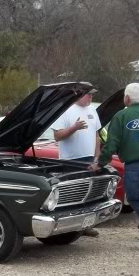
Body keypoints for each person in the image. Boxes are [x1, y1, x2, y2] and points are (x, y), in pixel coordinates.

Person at [93, 83, 139, 252]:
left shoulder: (121, 116)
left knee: (135, 199)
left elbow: (112, 144)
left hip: (135, 166)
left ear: (127, 98)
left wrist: (100, 162)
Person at [52, 87, 102, 236]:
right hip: (70, 160)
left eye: (92, 94)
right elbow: (57, 136)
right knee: (71, 194)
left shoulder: (92, 110)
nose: (91, 97)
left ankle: (86, 225)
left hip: (88, 159)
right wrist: (74, 127)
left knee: (88, 193)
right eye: (88, 94)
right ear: (78, 95)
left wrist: (97, 157)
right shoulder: (66, 110)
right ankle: (66, 226)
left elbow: (97, 136)